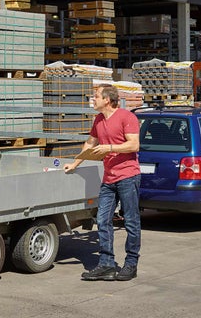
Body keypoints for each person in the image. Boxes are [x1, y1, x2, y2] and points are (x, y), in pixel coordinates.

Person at [64, 83, 141, 282]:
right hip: (109, 179)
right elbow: (90, 143)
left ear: (107, 99)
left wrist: (108, 148)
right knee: (102, 220)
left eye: (96, 95)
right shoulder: (98, 119)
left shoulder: (127, 117)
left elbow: (134, 144)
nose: (93, 98)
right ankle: (106, 264)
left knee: (131, 222)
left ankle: (131, 264)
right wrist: (75, 164)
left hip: (128, 176)